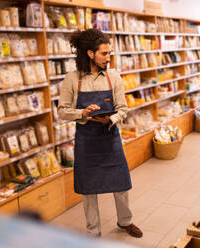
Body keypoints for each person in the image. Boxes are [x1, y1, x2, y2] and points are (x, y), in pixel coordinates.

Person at [58, 29, 143, 238]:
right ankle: (93, 232)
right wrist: (82, 113)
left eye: (109, 53)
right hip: (86, 141)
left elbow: (123, 108)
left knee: (121, 183)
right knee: (89, 189)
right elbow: (61, 111)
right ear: (89, 53)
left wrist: (111, 119)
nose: (108, 58)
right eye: (104, 53)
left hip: (110, 137)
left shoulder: (113, 77)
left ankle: (126, 221)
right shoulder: (73, 79)